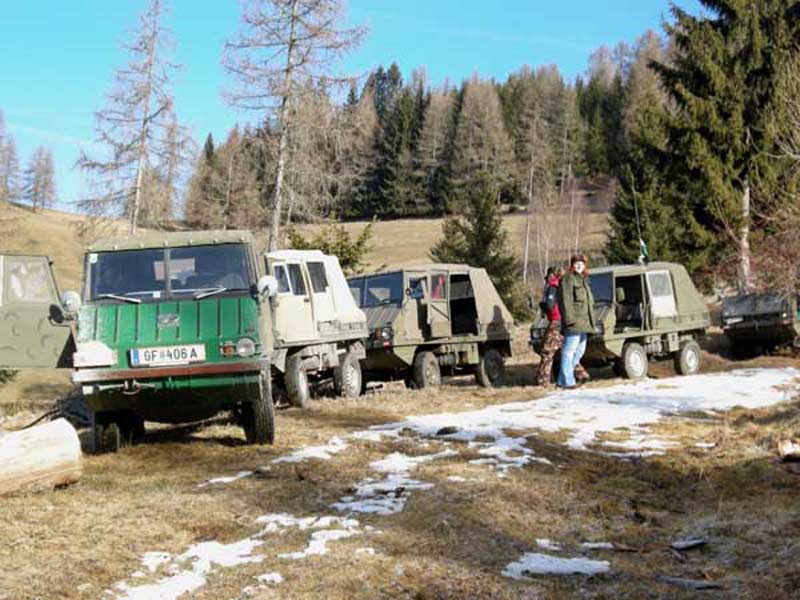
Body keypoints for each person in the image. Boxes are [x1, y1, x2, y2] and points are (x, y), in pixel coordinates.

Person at [535, 266, 590, 387]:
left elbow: (549, 305)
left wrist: (542, 305)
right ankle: (581, 373)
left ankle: (542, 381)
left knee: (547, 352)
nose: (547, 279)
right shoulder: (566, 286)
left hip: (556, 322)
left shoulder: (552, 286)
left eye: (548, 276)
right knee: (566, 350)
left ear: (552, 275)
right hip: (566, 321)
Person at [557, 254, 595, 389]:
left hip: (584, 323)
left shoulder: (584, 280)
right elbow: (565, 300)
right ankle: (568, 381)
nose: (579, 265)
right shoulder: (568, 279)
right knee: (569, 351)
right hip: (574, 322)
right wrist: (569, 320)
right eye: (576, 263)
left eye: (582, 263)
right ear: (572, 265)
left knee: (580, 351)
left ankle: (562, 379)